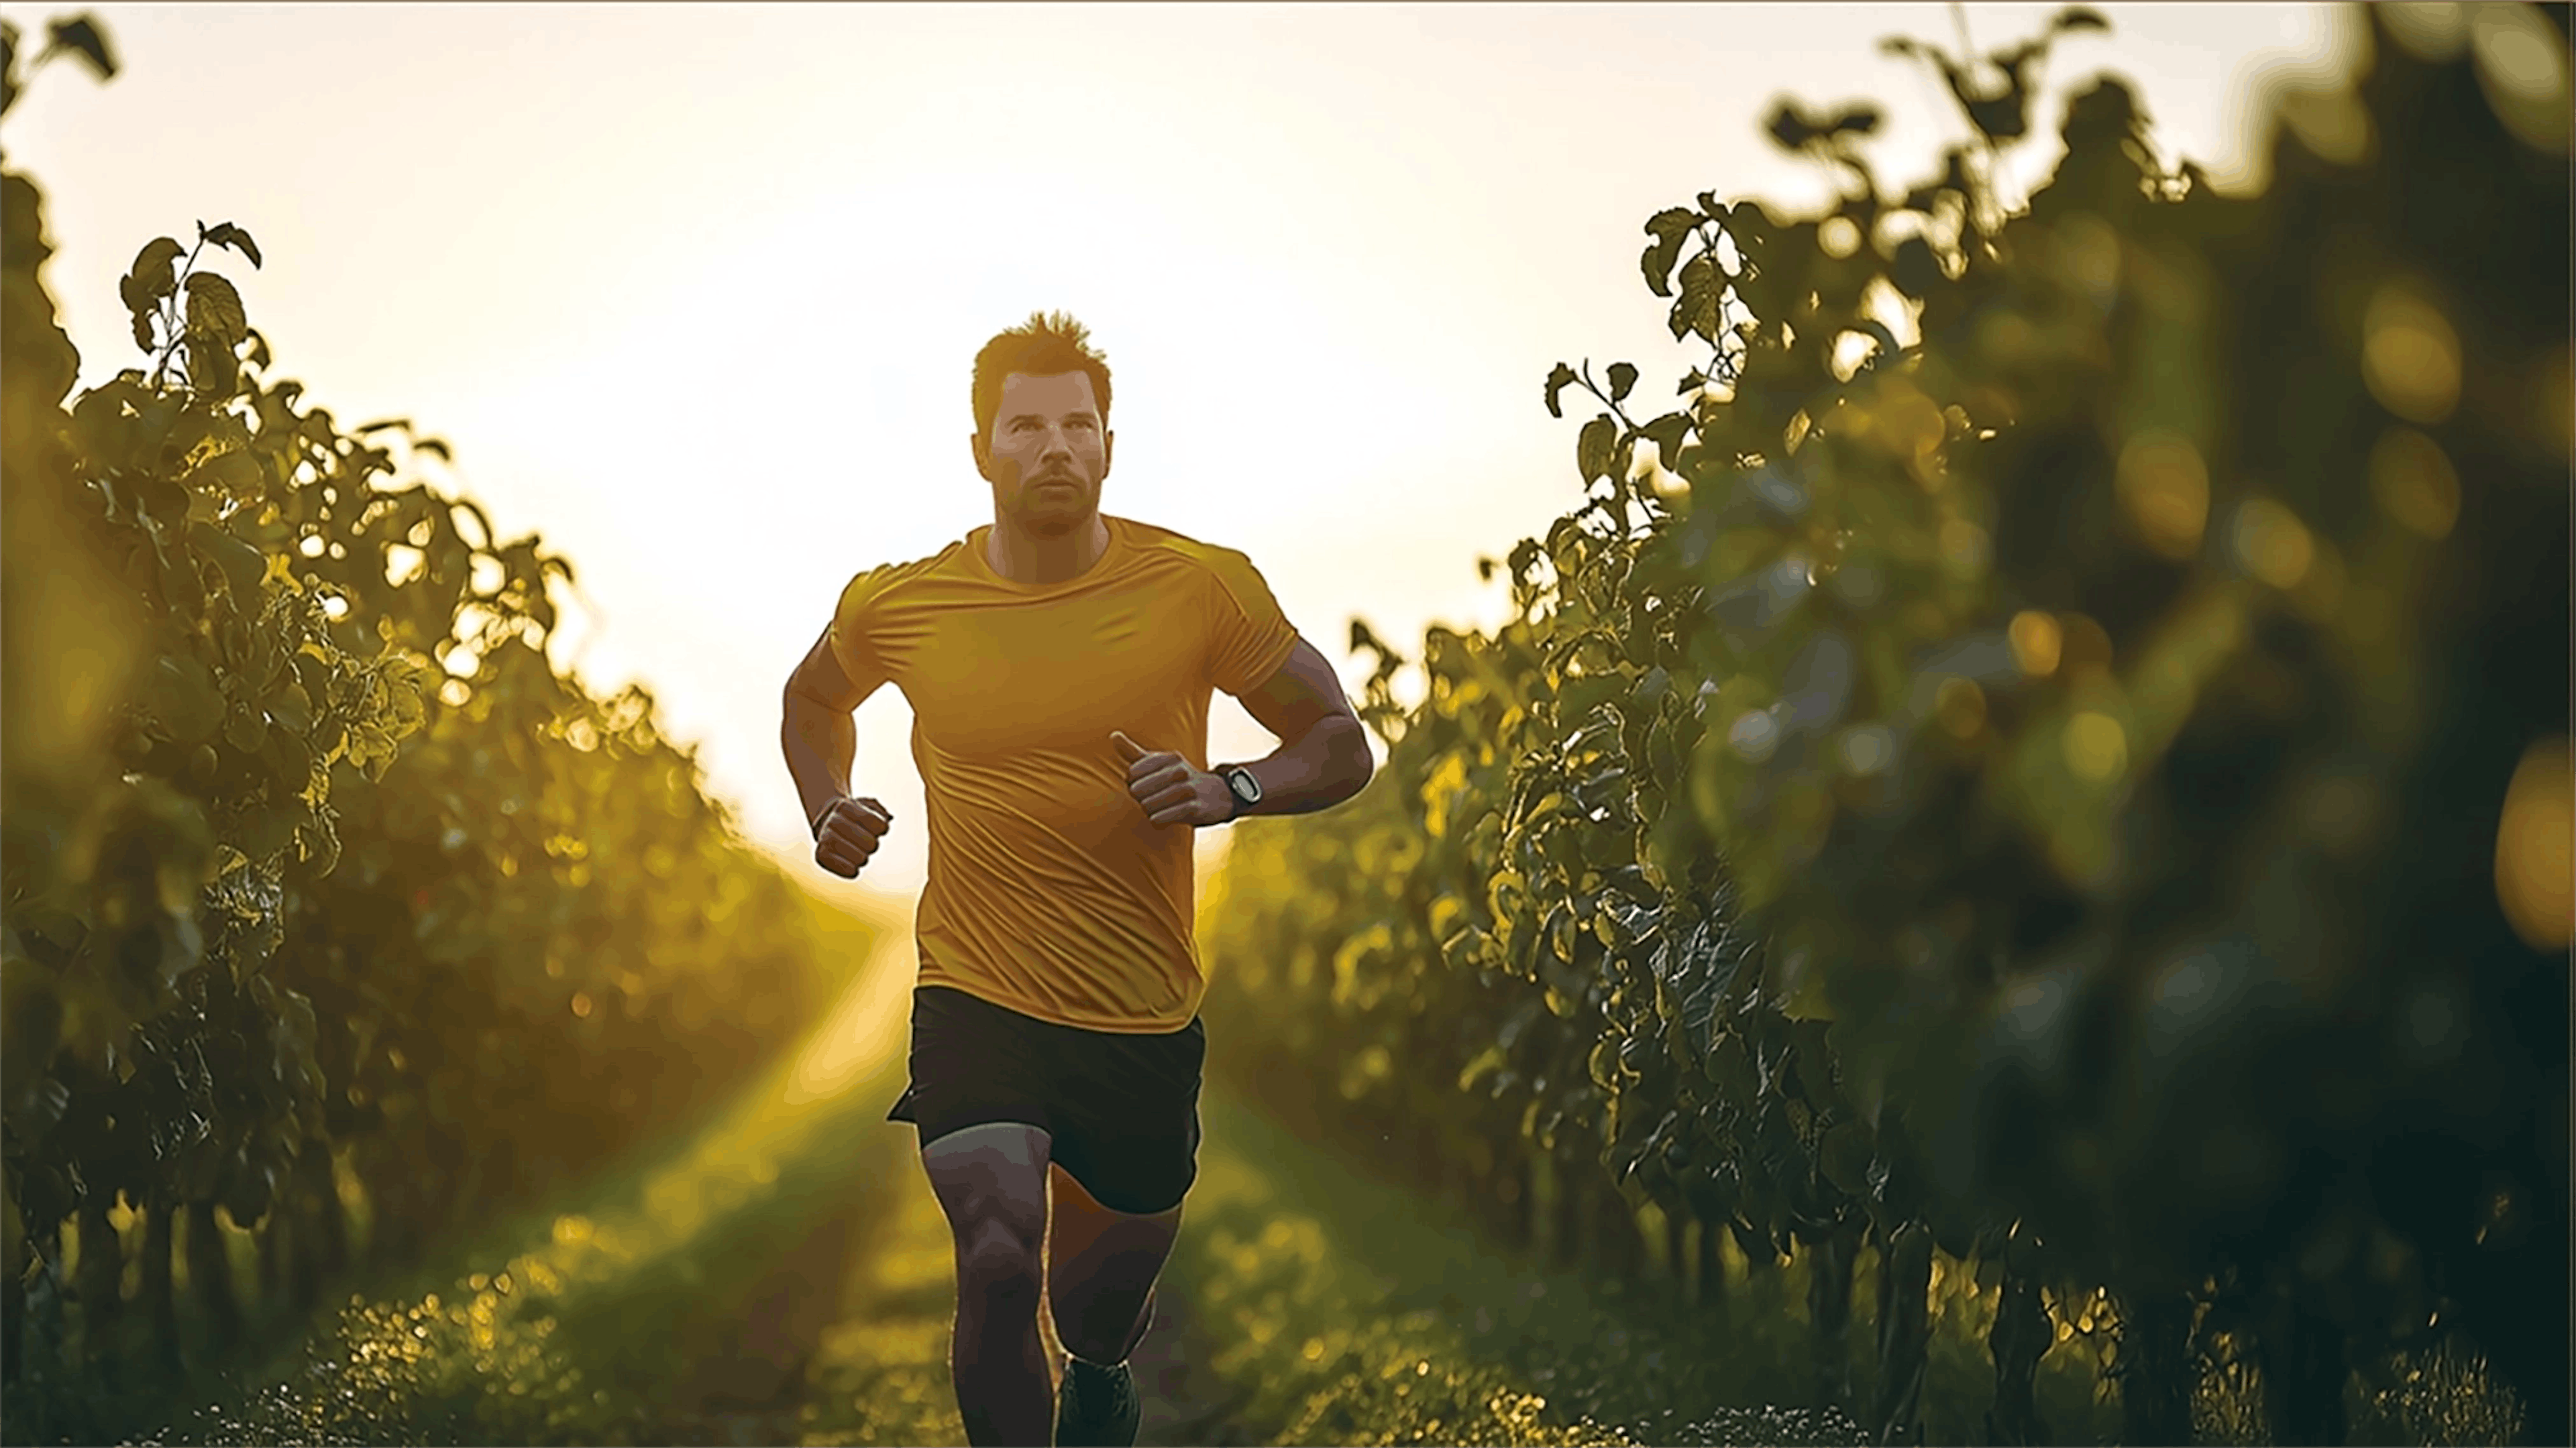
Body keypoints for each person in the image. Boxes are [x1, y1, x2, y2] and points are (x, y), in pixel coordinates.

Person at [779, 311, 1375, 1448]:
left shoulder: (1200, 587)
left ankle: (1100, 1372)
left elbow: (1341, 741)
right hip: (975, 990)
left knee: (1095, 1309)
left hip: (1141, 1012)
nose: (1053, 446)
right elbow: (813, 702)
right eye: (1026, 426)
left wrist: (1230, 788)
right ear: (981, 450)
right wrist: (826, 803)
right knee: (999, 1255)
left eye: (1076, 426)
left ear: (1108, 447)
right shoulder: (899, 603)